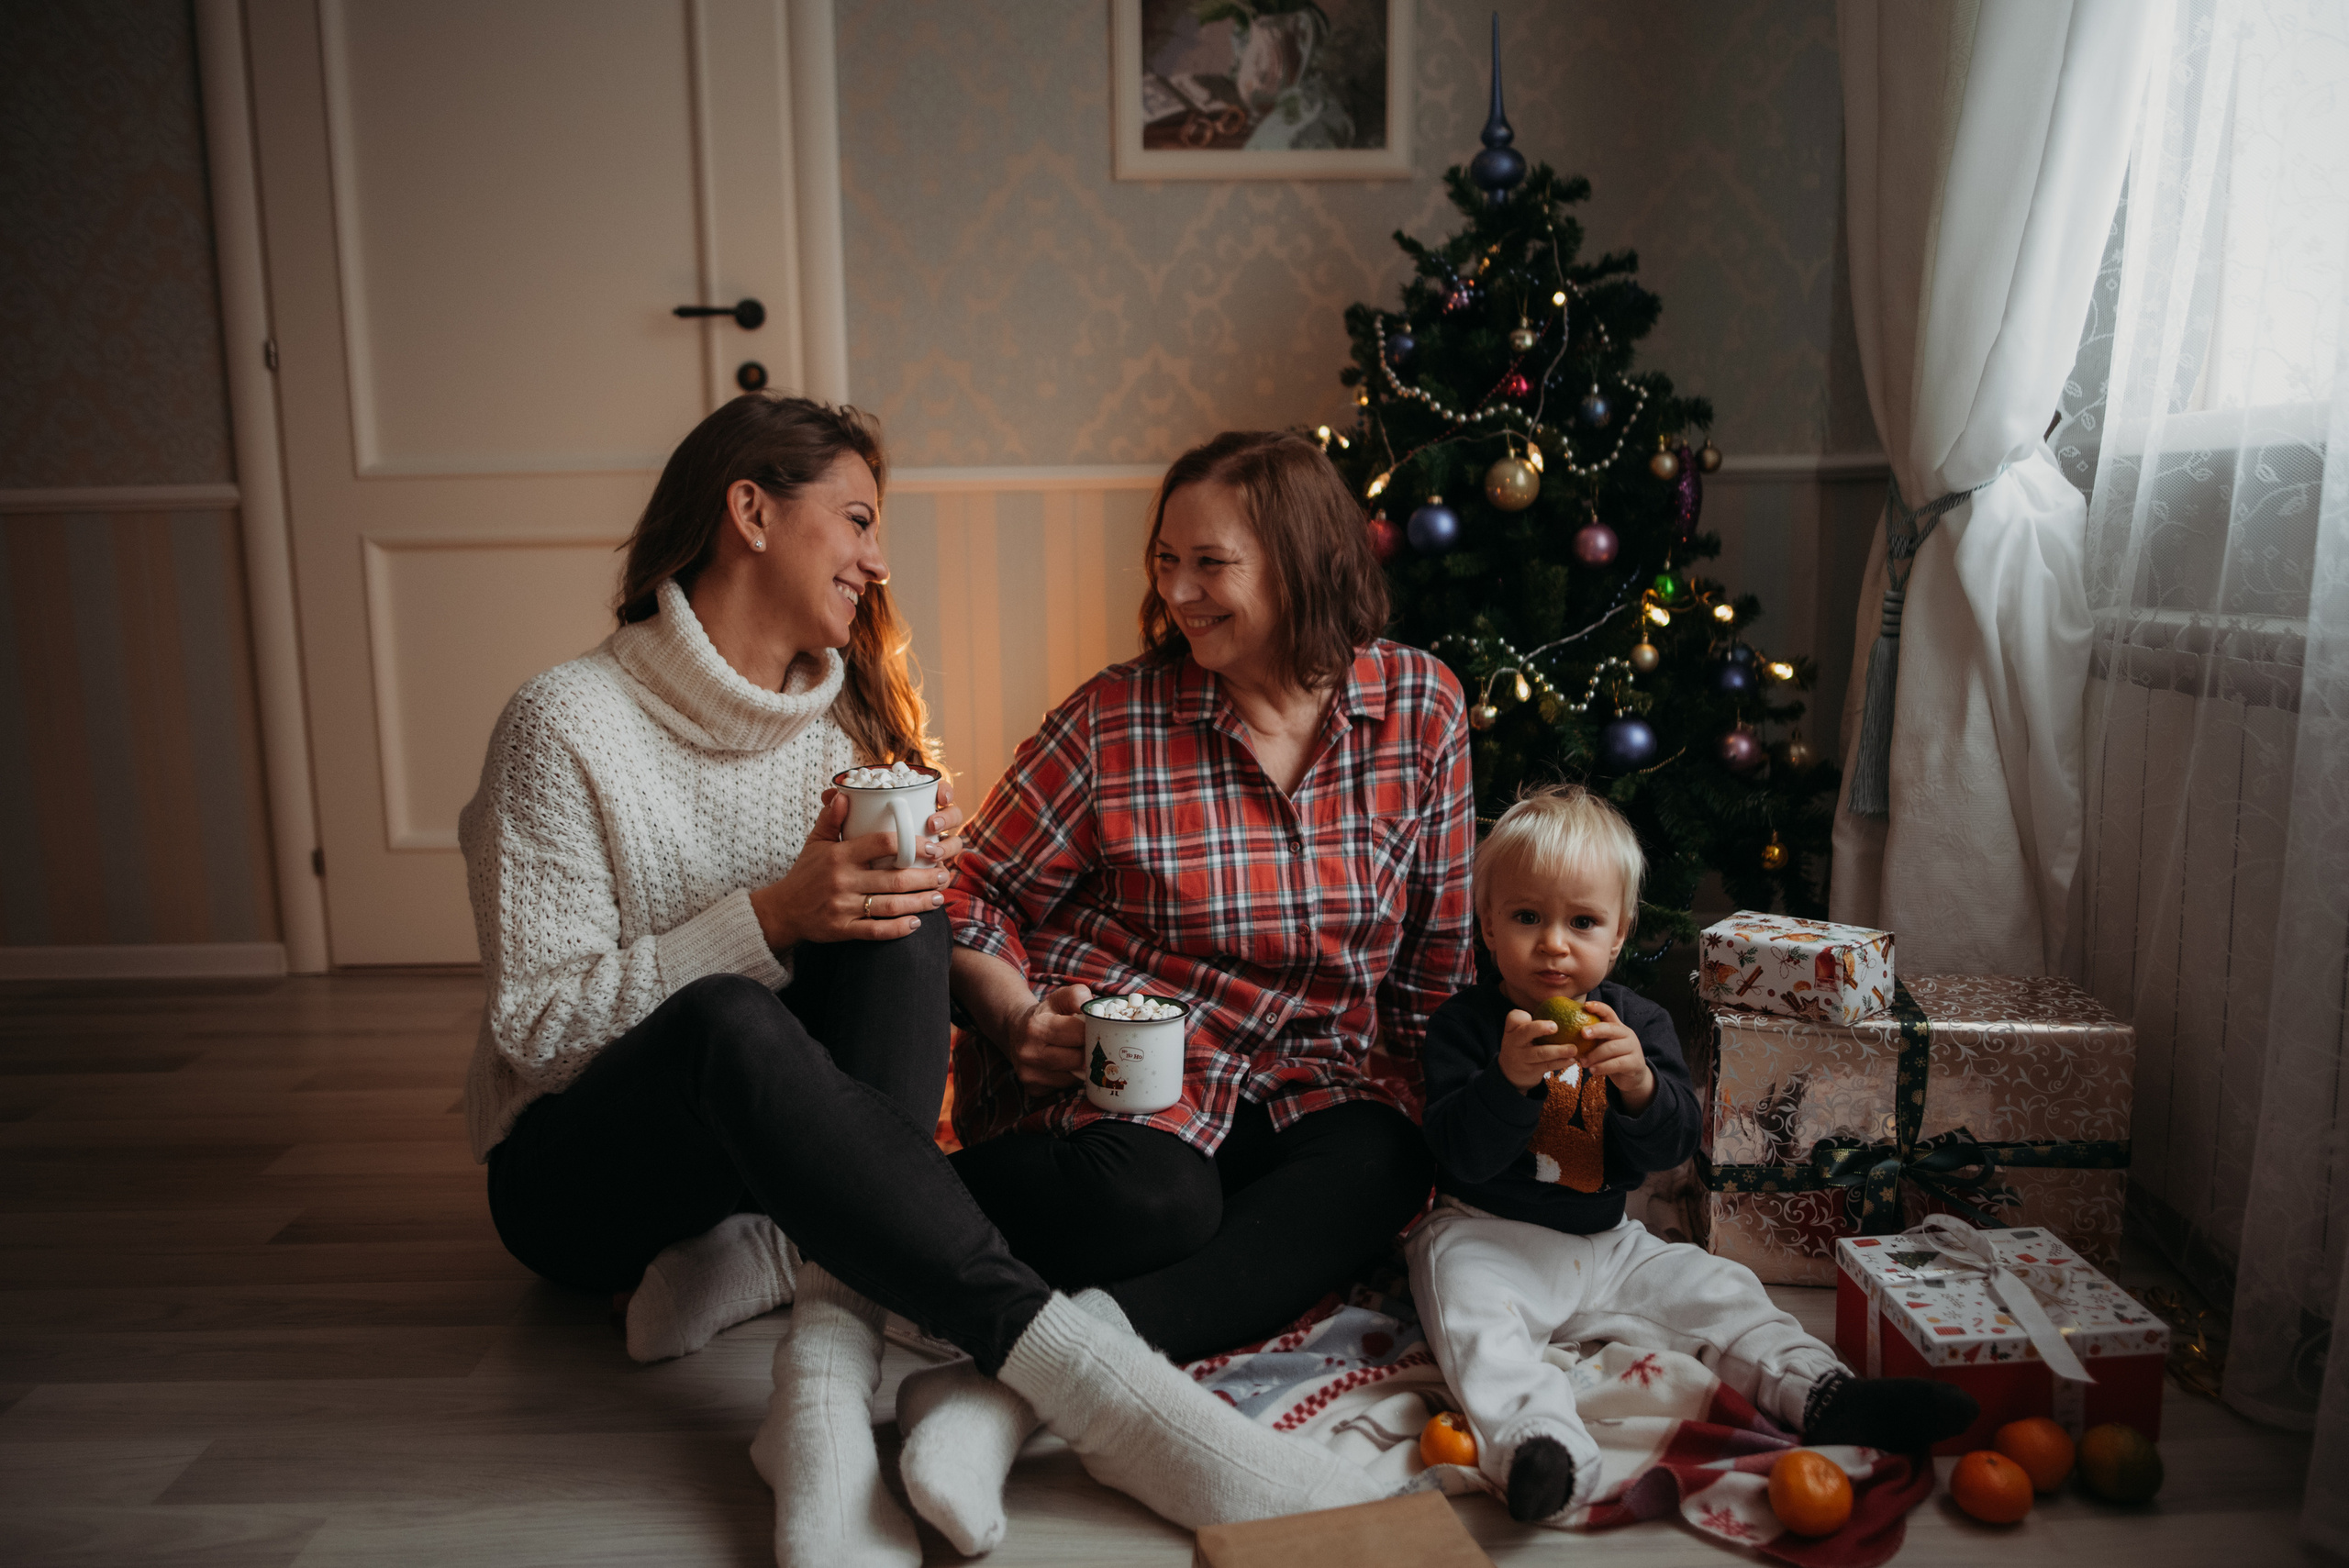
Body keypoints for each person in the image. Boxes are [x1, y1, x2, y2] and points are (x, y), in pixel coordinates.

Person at [460, 395, 1384, 1568]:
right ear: (749, 510)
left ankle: (820, 1375)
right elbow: (538, 1031)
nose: (877, 559)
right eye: (855, 519)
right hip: (573, 1175)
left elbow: (866, 985)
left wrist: (898, 884)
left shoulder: (840, 717)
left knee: (903, 910)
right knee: (727, 1015)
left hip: (756, 1152)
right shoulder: (564, 722)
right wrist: (773, 914)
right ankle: (1097, 1388)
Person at [887, 430, 1475, 1555]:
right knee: (1162, 1208)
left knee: (1389, 1162)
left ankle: (1014, 1386)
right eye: (1165, 560)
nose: (1175, 591)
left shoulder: (1422, 709)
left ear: (1303, 560)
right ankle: (865, 1212)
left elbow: (1433, 970)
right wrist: (1014, 1016)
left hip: (1319, 1073)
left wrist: (1466, 1133)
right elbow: (966, 892)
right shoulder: (1115, 720)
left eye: (1209, 563)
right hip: (1152, 1056)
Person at [1405, 784, 1977, 1523]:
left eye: (1582, 920)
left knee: (1720, 1285)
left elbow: (1670, 1147)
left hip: (1607, 1238)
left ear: (1619, 934)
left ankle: (1822, 1391)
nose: (1553, 942)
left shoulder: (1637, 1022)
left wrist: (1641, 1084)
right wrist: (1507, 1081)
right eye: (1526, 916)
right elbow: (1457, 1151)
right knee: (1465, 1309)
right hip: (1488, 1232)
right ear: (1487, 924)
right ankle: (1538, 1444)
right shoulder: (1465, 1026)